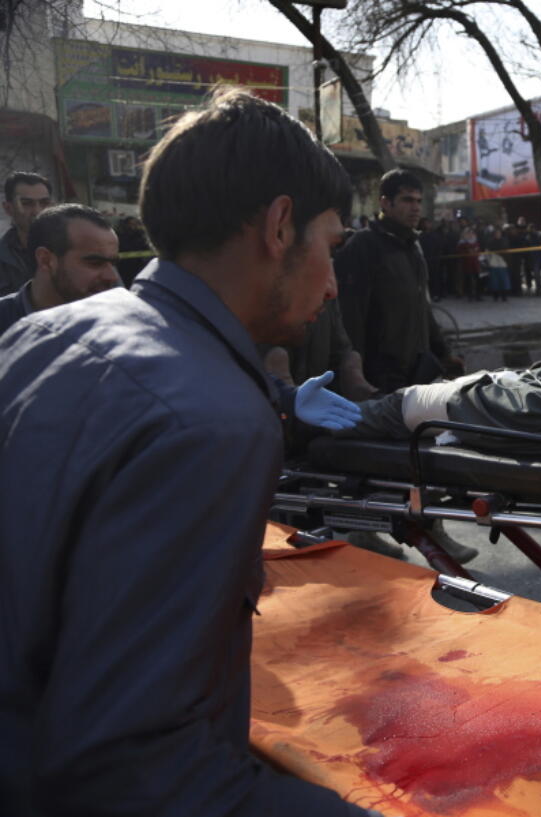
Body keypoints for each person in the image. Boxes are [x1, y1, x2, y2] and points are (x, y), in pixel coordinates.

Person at [0, 89, 373, 816]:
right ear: (279, 225)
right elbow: (136, 775)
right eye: (331, 246)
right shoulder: (212, 422)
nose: (332, 285)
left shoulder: (41, 333)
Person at [335, 169, 462, 392]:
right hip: (379, 377)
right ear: (385, 202)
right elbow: (350, 317)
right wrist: (354, 375)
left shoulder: (412, 247)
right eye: (407, 200)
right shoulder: (364, 246)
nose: (415, 208)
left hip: (415, 373)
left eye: (418, 201)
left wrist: (444, 353)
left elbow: (421, 306)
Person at [0, 204, 121, 337]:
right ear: (45, 260)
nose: (112, 276)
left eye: (113, 263)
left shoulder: (117, 323)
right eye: (95, 263)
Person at [1, 171, 53, 295]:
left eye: (44, 203)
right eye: (27, 204)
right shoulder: (3, 256)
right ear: (9, 208)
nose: (37, 211)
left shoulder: (70, 247)